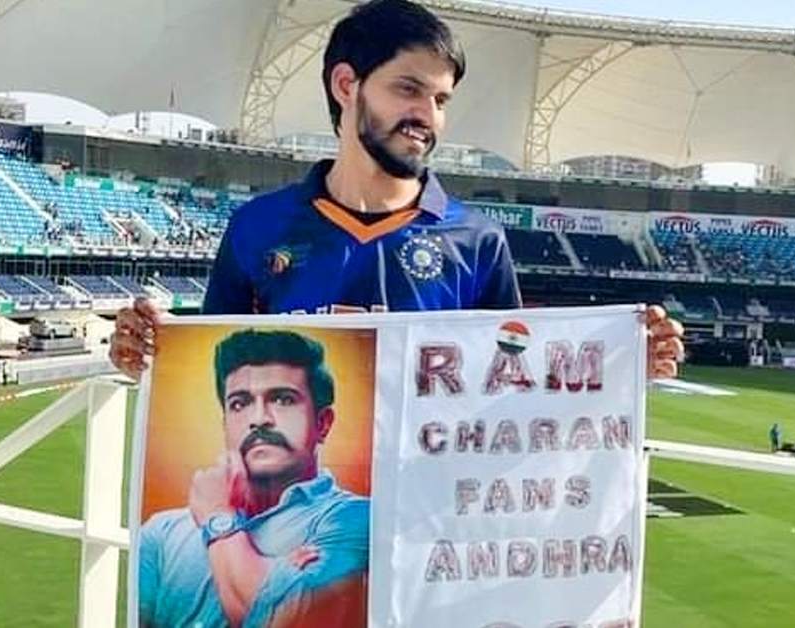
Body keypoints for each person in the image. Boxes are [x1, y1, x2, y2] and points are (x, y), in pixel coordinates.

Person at [109, 0, 684, 381]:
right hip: (298, 524)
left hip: (427, 523)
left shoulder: (477, 240)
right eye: (408, 89)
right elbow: (211, 372)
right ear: (346, 84)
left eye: (440, 100)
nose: (427, 116)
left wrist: (623, 363)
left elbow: (512, 386)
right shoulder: (258, 226)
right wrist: (150, 353)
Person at [138, 329, 367, 628]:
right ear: (225, 424)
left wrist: (219, 519)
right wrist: (273, 581)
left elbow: (285, 621)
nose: (259, 419)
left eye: (283, 399)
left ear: (322, 423)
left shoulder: (353, 518)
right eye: (239, 403)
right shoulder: (163, 531)